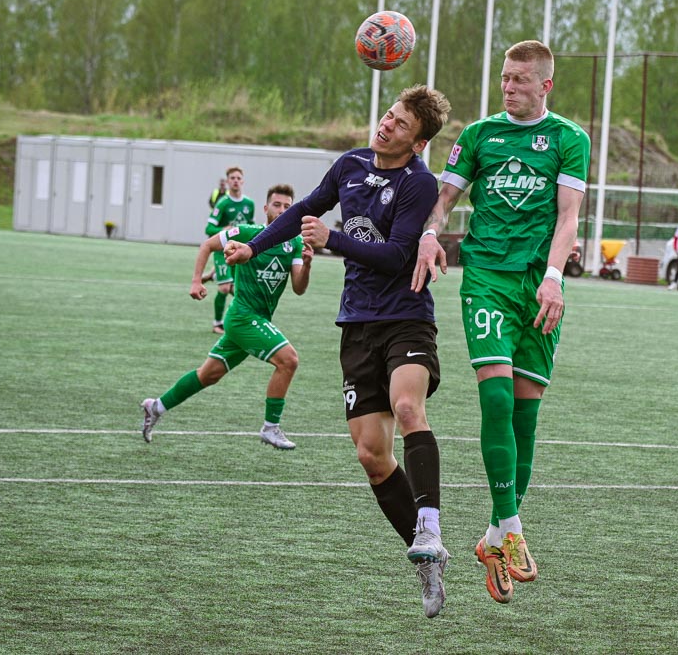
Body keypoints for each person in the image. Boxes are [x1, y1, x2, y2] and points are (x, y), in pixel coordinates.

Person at [223, 85, 452, 619]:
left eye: (400, 124)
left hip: (406, 318)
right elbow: (305, 210)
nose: (386, 125)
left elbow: (396, 255)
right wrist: (253, 246)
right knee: (372, 456)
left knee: (407, 407)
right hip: (357, 324)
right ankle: (426, 558)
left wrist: (333, 241)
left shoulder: (419, 183)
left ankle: (430, 523)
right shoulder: (349, 164)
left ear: (418, 143)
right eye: (389, 115)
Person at [412, 40, 590, 604]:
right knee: (495, 397)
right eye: (505, 77)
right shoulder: (479, 135)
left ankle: (493, 537)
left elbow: (569, 217)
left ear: (545, 85)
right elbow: (444, 199)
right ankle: (512, 527)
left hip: (539, 285)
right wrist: (430, 233)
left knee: (525, 415)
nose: (508, 87)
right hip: (487, 276)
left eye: (519, 79)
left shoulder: (569, 139)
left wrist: (554, 277)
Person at [140, 184, 311, 451]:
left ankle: (156, 407)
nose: (282, 210)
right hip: (242, 317)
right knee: (289, 360)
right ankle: (270, 428)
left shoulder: (295, 243)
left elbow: (299, 288)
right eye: (277, 205)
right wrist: (196, 280)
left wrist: (308, 264)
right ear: (265, 208)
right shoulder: (247, 233)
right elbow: (208, 245)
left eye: (288, 207)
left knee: (208, 375)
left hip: (257, 320)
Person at [206, 167, 257, 333]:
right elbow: (209, 229)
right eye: (232, 178)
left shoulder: (249, 204)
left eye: (238, 178)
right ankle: (217, 324)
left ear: (243, 181)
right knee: (224, 288)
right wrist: (224, 230)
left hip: (239, 252)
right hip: (222, 251)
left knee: (238, 290)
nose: (235, 181)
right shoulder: (223, 203)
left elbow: (251, 226)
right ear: (228, 181)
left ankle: (214, 274)